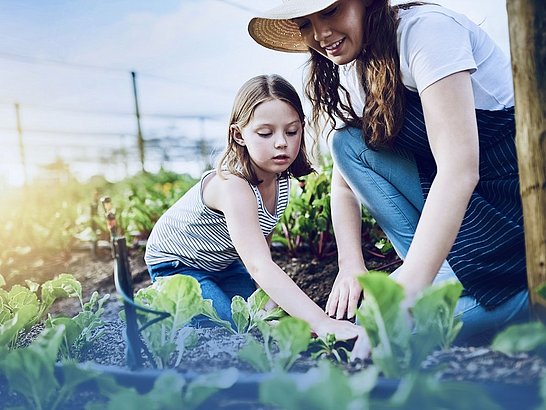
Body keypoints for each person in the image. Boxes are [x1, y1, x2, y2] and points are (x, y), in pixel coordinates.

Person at [248, 1, 530, 344]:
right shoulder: (356, 67)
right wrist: (351, 264)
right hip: (470, 216)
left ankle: (443, 288)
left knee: (390, 334)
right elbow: (343, 185)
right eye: (304, 24)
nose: (321, 34)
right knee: (348, 143)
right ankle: (436, 276)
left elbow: (459, 170)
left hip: (515, 220)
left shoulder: (425, 31)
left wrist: (405, 290)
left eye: (330, 11)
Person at [145, 74, 369, 359]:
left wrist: (278, 306)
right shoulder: (233, 186)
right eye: (265, 133)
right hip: (177, 266)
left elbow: (260, 251)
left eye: (291, 131)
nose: (281, 143)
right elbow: (259, 265)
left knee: (259, 321)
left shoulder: (280, 180)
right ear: (239, 134)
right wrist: (322, 322)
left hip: (225, 264)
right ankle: (160, 302)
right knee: (228, 329)